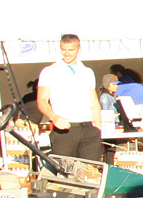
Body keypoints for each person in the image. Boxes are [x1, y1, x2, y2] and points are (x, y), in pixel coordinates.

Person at [35, 33, 102, 161]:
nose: (67, 54)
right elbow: (42, 100)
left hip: (88, 128)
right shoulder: (49, 71)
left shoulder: (87, 71)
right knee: (65, 171)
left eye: (71, 50)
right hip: (65, 129)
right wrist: (53, 117)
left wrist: (98, 126)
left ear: (79, 49)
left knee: (91, 171)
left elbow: (93, 101)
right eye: (64, 50)